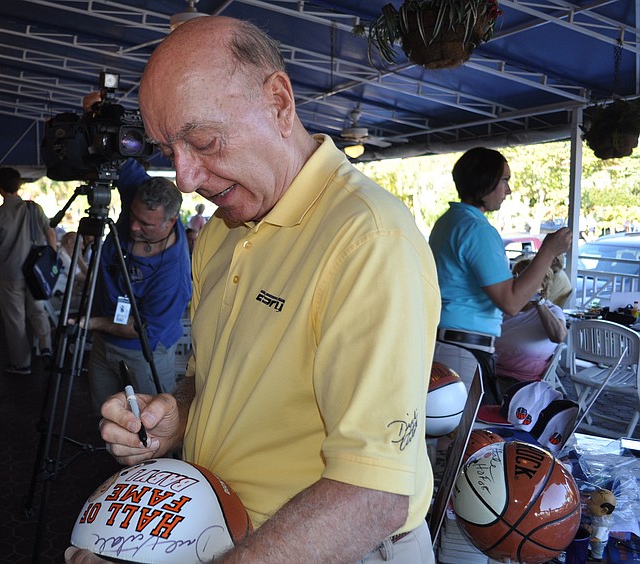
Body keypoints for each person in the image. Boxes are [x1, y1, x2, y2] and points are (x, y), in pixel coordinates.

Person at [68, 16, 440, 564]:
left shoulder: (368, 239)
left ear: (279, 102)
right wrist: (179, 413)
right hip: (218, 524)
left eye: (203, 141)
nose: (187, 178)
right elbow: (211, 377)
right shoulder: (219, 231)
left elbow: (375, 493)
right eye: (169, 150)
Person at [429, 147, 572, 405]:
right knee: (460, 442)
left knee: (446, 440)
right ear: (485, 181)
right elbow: (512, 302)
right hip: (464, 350)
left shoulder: (448, 221)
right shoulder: (477, 230)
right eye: (505, 180)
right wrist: (548, 251)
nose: (508, 190)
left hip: (447, 343)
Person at [83, 156, 192, 410]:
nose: (133, 226)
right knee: (106, 413)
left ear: (171, 222)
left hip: (144, 351)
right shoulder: (142, 192)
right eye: (133, 215)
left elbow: (141, 328)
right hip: (104, 341)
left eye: (145, 224)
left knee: (149, 420)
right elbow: (122, 158)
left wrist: (91, 322)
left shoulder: (173, 275)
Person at [0, 166, 56, 374]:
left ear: (0, 189)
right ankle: (46, 348)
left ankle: (22, 363)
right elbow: (50, 234)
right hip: (35, 273)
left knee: (15, 320)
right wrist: (51, 260)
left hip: (11, 274)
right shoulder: (34, 208)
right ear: (19, 186)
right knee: (38, 311)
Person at [494, 257, 567, 395]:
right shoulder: (508, 308)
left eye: (526, 278)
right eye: (516, 277)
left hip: (523, 383)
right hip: (493, 373)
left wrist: (538, 302)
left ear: (542, 284)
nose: (518, 282)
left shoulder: (551, 310)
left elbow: (559, 337)